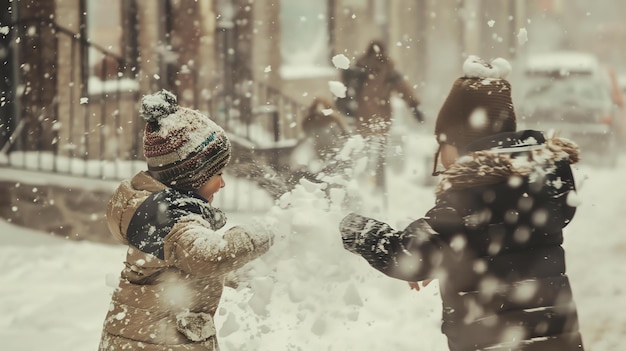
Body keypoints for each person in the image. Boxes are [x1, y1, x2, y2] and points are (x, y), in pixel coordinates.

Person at [339, 56, 585, 351]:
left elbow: (407, 257)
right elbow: (494, 243)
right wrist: (450, 255)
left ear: (460, 141)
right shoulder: (539, 183)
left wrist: (352, 227)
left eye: (442, 140)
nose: (440, 151)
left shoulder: (469, 195)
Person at [98, 89, 275, 351]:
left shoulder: (158, 211)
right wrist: (267, 231)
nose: (223, 183)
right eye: (218, 173)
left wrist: (247, 272)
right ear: (193, 177)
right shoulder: (170, 216)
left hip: (143, 339)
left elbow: (184, 266)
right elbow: (208, 255)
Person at [347, 40, 425, 196]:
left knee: (363, 155)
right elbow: (404, 89)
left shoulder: (360, 67)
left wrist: (348, 107)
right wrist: (414, 106)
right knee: (379, 156)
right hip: (381, 118)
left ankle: (361, 186)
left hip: (362, 117)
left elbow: (349, 89)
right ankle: (378, 188)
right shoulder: (389, 70)